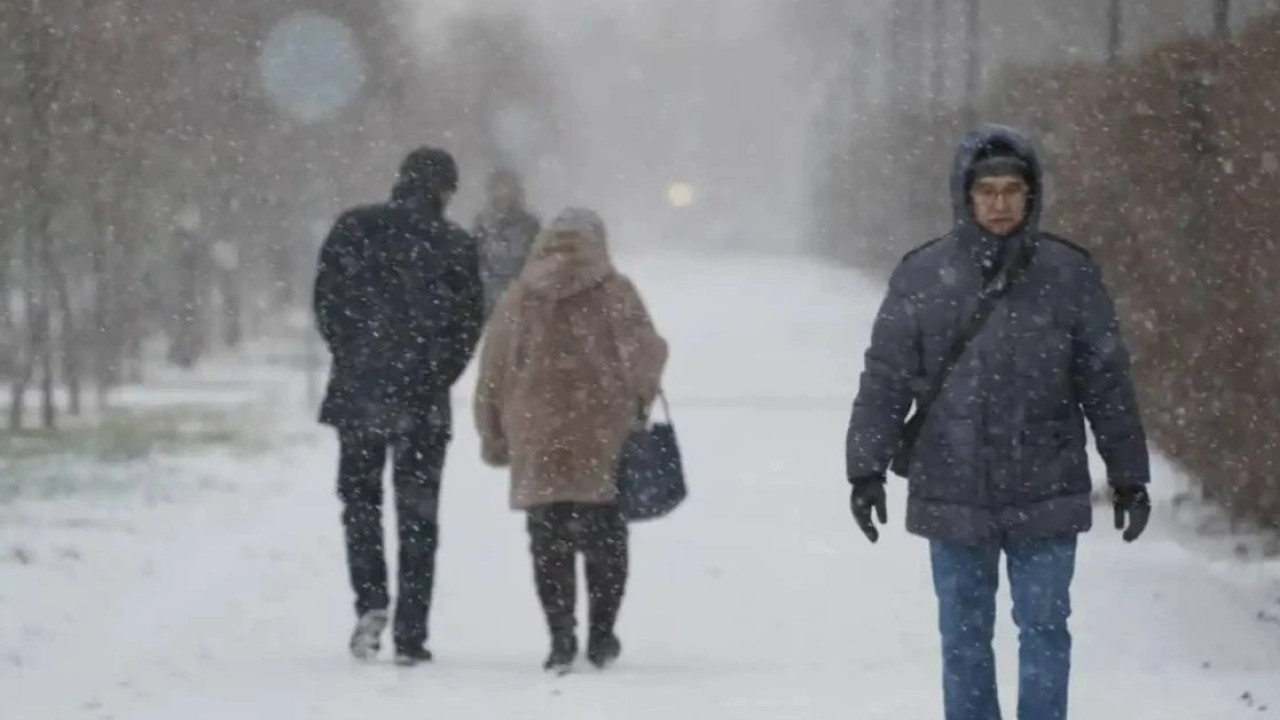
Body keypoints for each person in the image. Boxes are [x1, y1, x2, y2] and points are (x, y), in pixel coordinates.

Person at [844, 124, 1152, 720]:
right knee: (964, 640)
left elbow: (1106, 384)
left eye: (1013, 189)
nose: (1001, 203)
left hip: (1048, 483)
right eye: (988, 190)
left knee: (1044, 631)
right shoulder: (922, 276)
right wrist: (865, 468)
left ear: (1031, 195)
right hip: (951, 484)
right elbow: (884, 379)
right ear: (965, 195)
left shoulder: (1069, 275)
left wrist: (1128, 475)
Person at [473, 207, 668, 674]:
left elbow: (492, 372)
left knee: (548, 540)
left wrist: (493, 433)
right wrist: (638, 398)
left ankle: (561, 636)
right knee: (606, 540)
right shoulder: (615, 291)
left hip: (537, 435)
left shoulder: (520, 296)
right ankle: (601, 636)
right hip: (602, 434)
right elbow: (647, 354)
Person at [312, 146, 484, 666]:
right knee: (419, 516)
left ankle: (371, 602)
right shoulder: (455, 245)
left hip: (360, 394)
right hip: (423, 403)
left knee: (360, 504)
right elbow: (467, 325)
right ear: (447, 190)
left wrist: (355, 356)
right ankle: (412, 630)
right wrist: (434, 375)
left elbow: (326, 304)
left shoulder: (353, 228)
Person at [471, 168, 542, 317]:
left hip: (520, 303)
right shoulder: (482, 224)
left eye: (506, 188)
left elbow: (535, 262)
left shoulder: (530, 225)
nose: (501, 193)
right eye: (497, 188)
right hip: (486, 303)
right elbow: (475, 261)